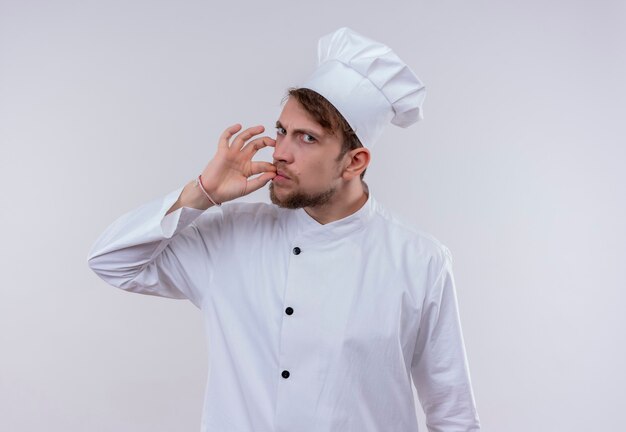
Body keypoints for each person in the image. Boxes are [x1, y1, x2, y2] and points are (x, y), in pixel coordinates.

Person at [87, 27, 481, 432]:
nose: (280, 153)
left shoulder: (420, 261)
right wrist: (202, 194)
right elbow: (112, 262)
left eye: (307, 138)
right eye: (281, 131)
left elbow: (453, 414)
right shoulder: (230, 237)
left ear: (354, 161)